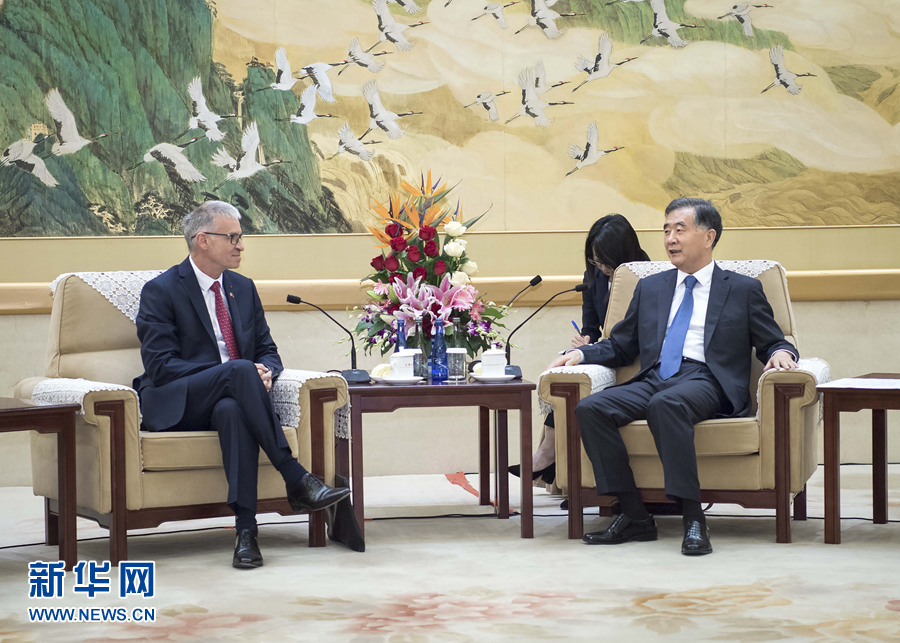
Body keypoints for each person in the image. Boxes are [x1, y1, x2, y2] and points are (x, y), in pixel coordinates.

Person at [548, 198, 798, 555]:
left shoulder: (742, 289)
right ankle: (634, 515)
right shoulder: (651, 287)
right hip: (656, 375)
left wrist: (782, 353)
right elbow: (621, 344)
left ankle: (693, 517)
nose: (670, 239)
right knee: (591, 408)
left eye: (680, 229)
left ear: (709, 236)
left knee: (666, 404)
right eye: (666, 230)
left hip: (707, 379)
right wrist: (581, 354)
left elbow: (773, 339)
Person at [133, 201, 351, 569]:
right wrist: (235, 373)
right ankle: (295, 476)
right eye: (232, 237)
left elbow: (268, 351)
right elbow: (161, 366)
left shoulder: (242, 288)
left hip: (231, 399)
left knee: (233, 408)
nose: (241, 245)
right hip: (178, 401)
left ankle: (246, 533)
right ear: (203, 240)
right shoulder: (162, 290)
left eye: (240, 237)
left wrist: (263, 372)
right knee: (237, 372)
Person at [510, 214, 650, 483]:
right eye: (595, 261)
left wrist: (589, 351)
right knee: (568, 377)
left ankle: (550, 460)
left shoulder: (646, 274)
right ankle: (561, 469)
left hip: (635, 359)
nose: (601, 268)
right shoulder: (593, 275)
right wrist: (586, 340)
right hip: (606, 353)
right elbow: (591, 326)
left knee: (577, 381)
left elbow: (636, 337)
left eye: (605, 261)